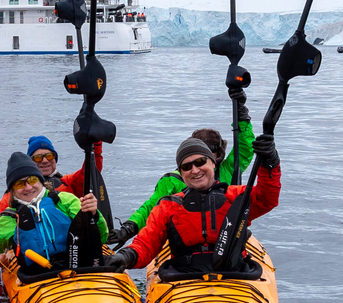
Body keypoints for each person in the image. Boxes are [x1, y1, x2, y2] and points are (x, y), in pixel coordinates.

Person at [105, 132, 279, 275]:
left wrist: (270, 162)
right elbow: (146, 243)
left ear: (213, 162)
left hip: (233, 273)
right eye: (187, 167)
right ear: (181, 172)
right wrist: (126, 256)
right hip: (184, 276)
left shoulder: (235, 196)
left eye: (200, 162)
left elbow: (267, 198)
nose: (195, 170)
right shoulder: (169, 206)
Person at [107, 87, 255, 245]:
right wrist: (128, 229)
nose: (197, 170)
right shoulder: (172, 181)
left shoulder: (227, 170)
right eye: (194, 160)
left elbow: (245, 148)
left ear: (217, 158)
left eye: (204, 160)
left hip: (224, 235)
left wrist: (242, 112)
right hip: (185, 238)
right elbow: (151, 207)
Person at [0, 136, 102, 212]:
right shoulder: (14, 195)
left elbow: (91, 170)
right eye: (38, 158)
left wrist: (95, 143)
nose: (45, 161)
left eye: (50, 156)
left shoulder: (69, 182)